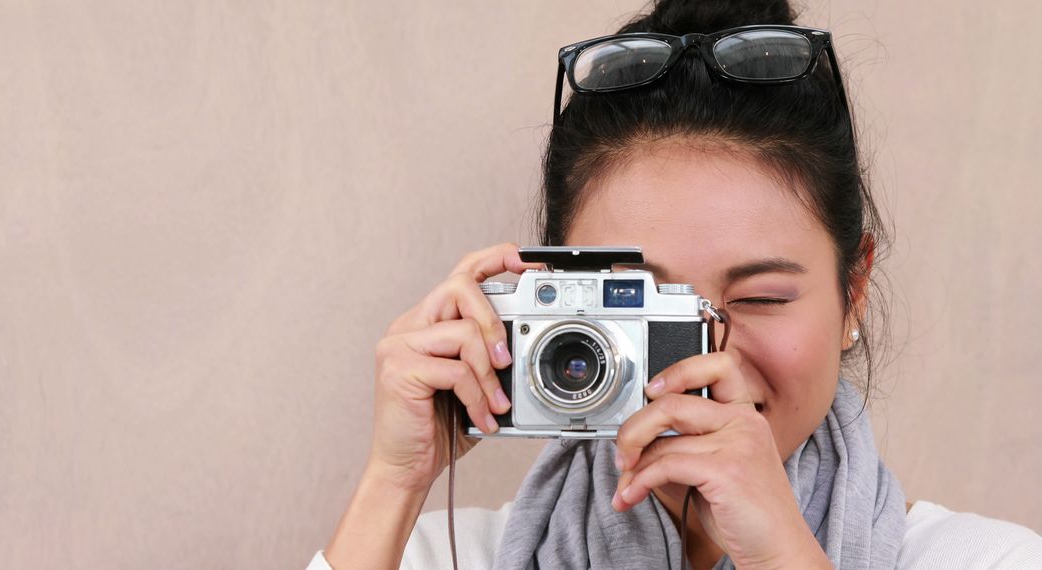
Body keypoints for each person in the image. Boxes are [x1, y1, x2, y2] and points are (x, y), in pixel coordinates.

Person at [317, 1, 1042, 568]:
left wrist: (782, 556)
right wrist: (394, 479)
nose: (705, 358)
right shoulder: (435, 556)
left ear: (853, 293)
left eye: (760, 297)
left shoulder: (990, 560)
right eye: (634, 302)